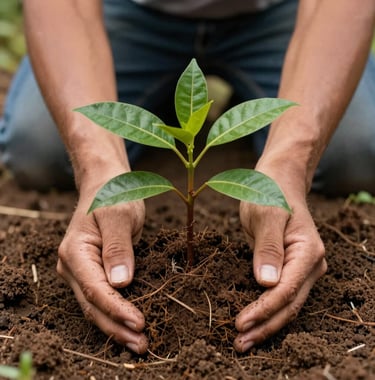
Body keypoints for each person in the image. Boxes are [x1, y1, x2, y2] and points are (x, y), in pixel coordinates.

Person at [1, 0, 375, 355]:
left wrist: (291, 163)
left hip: (283, 15)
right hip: (129, 13)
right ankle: (161, 114)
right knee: (42, 149)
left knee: (354, 154)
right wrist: (97, 164)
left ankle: (249, 127)